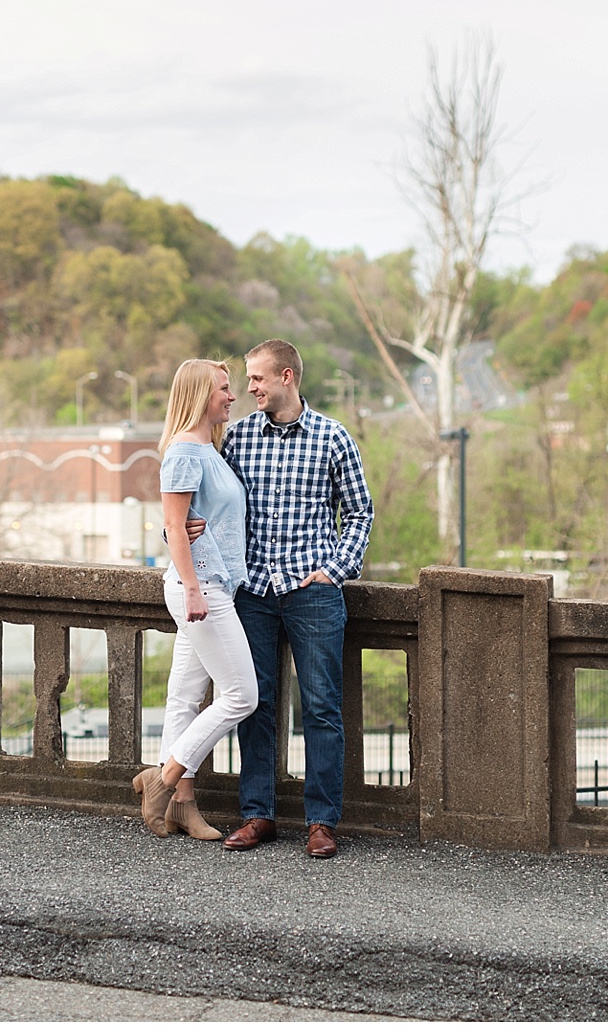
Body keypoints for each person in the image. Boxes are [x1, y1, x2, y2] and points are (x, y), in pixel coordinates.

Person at [184, 338, 374, 859]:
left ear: (287, 377)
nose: (249, 389)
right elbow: (204, 498)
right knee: (256, 704)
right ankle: (258, 815)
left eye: (258, 380)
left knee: (321, 708)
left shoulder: (333, 438)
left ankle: (321, 822)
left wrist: (334, 571)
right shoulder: (239, 438)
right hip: (253, 592)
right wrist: (184, 530)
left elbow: (359, 514)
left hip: (312, 594)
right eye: (246, 381)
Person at [132, 358, 258, 842]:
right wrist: (190, 589)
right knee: (242, 695)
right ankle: (162, 782)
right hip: (200, 589)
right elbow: (173, 528)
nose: (232, 396)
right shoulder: (185, 451)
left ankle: (181, 805)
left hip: (213, 585)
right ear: (200, 395)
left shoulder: (210, 449)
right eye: (224, 388)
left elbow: (188, 521)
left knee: (184, 698)